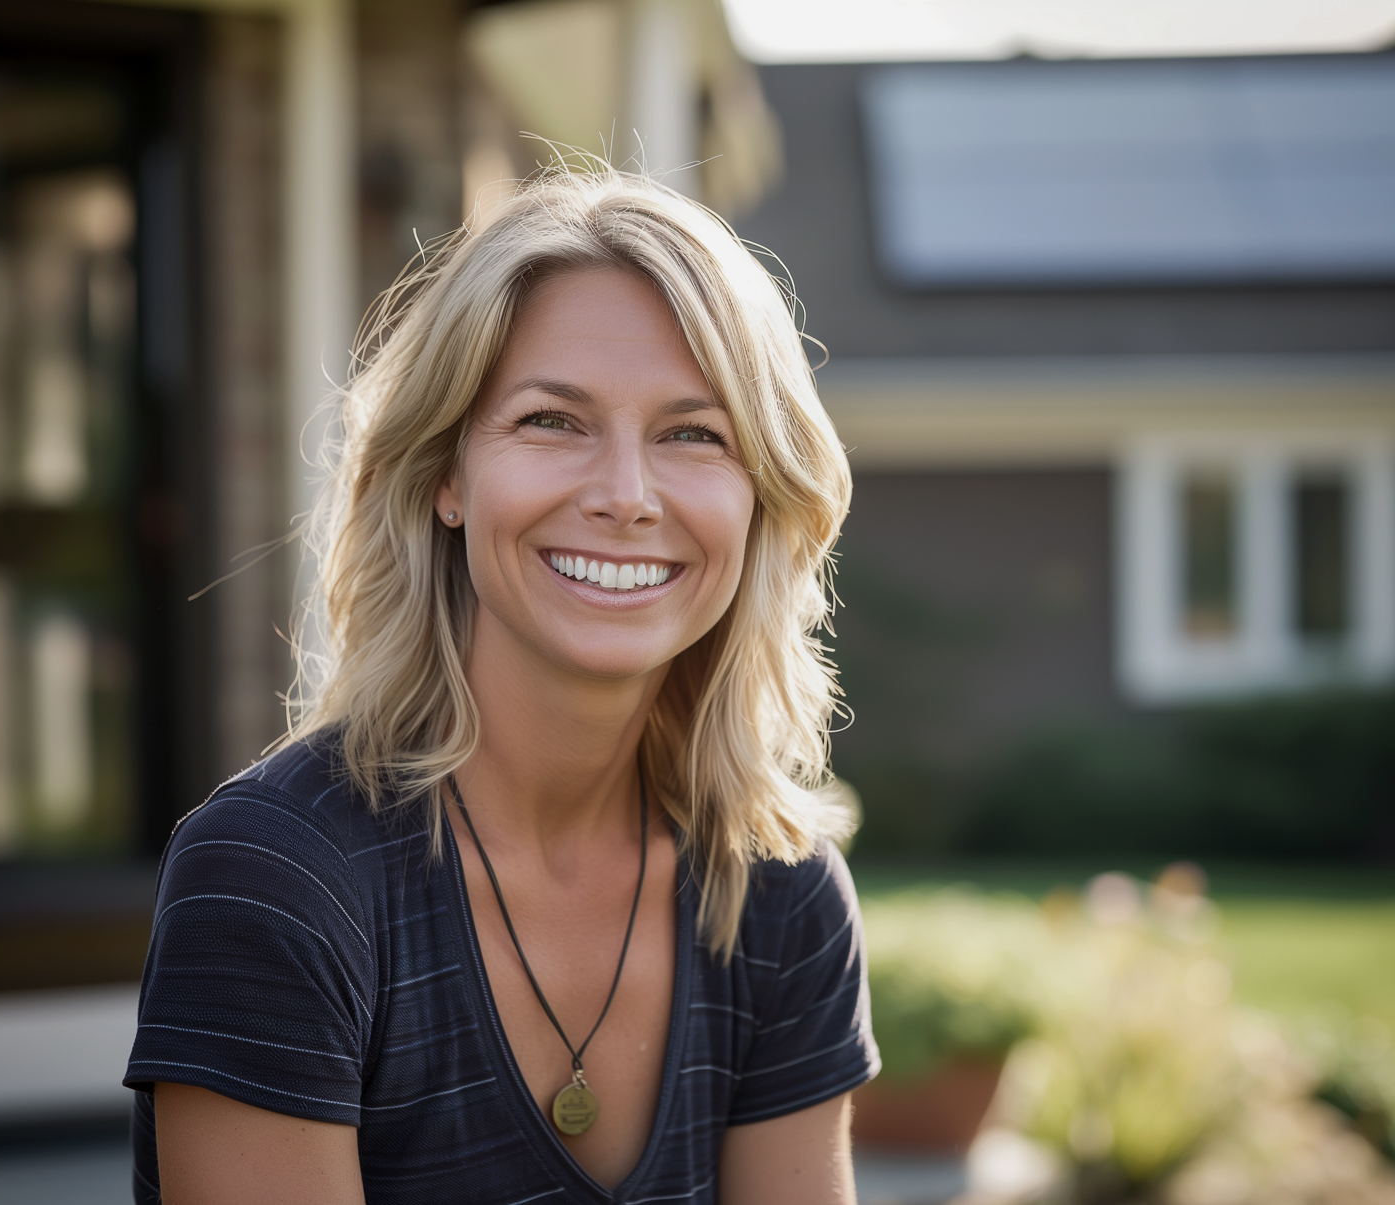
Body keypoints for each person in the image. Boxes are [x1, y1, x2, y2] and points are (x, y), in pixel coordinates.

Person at [124, 163, 878, 1205]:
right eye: (551, 421)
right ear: (444, 474)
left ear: (761, 498)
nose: (625, 495)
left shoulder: (777, 892)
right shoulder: (277, 882)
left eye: (693, 433)